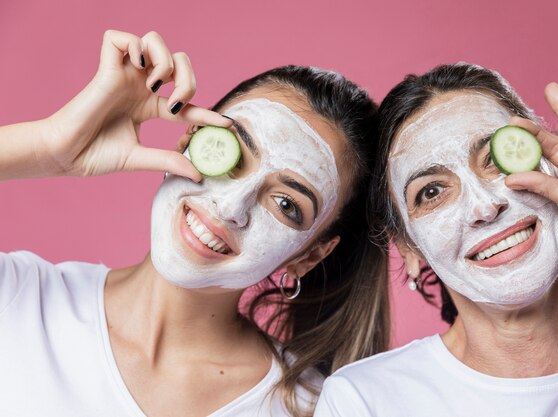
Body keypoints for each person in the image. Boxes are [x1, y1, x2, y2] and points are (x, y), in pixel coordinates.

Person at [0, 30, 389, 417]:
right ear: (187, 139)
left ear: (310, 255)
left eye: (286, 204)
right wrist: (51, 146)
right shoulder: (20, 298)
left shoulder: (314, 408)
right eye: (230, 153)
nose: (231, 206)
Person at [314, 63, 558, 416]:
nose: (485, 206)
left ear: (554, 166)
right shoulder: (363, 401)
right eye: (431, 192)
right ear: (410, 249)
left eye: (495, 158)